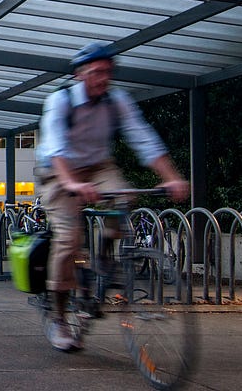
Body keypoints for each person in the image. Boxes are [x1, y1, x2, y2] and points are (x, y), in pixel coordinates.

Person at [36, 42, 189, 352]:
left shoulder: (116, 100)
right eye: (96, 72)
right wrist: (73, 185)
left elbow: (142, 135)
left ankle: (105, 255)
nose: (103, 78)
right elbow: (55, 148)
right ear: (80, 75)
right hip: (57, 171)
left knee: (125, 197)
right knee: (68, 238)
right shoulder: (60, 101)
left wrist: (170, 176)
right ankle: (60, 316)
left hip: (98, 166)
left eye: (107, 72)